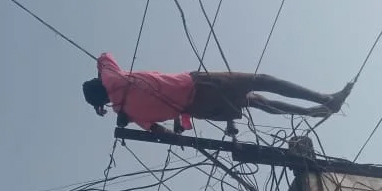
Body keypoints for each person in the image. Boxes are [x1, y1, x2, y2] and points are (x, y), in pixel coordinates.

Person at [82, 52, 353, 134]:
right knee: (262, 82)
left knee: (256, 103)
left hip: (204, 111)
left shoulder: (129, 113)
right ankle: (325, 101)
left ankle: (312, 112)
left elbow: (160, 133)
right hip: (200, 86)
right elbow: (104, 56)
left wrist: (177, 120)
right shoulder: (112, 77)